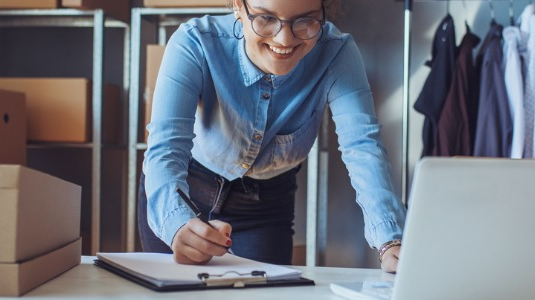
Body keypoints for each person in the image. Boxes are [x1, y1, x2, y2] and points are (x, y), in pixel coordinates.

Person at [138, 0, 406, 273]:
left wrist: (390, 240)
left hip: (264, 206)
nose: (284, 39)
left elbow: (362, 146)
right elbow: (166, 147)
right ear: (238, 8)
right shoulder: (195, 41)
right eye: (266, 18)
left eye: (305, 20)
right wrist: (176, 222)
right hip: (184, 190)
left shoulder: (337, 52)